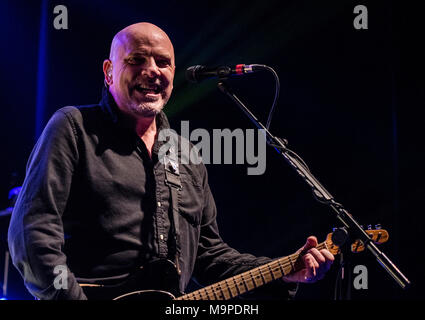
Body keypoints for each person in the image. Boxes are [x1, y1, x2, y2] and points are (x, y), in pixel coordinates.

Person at [7, 22, 334, 300]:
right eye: (136, 59)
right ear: (109, 72)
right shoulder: (73, 127)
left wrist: (287, 270)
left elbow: (210, 256)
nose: (152, 70)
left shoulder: (185, 155)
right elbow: (32, 232)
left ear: (173, 74)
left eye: (163, 62)